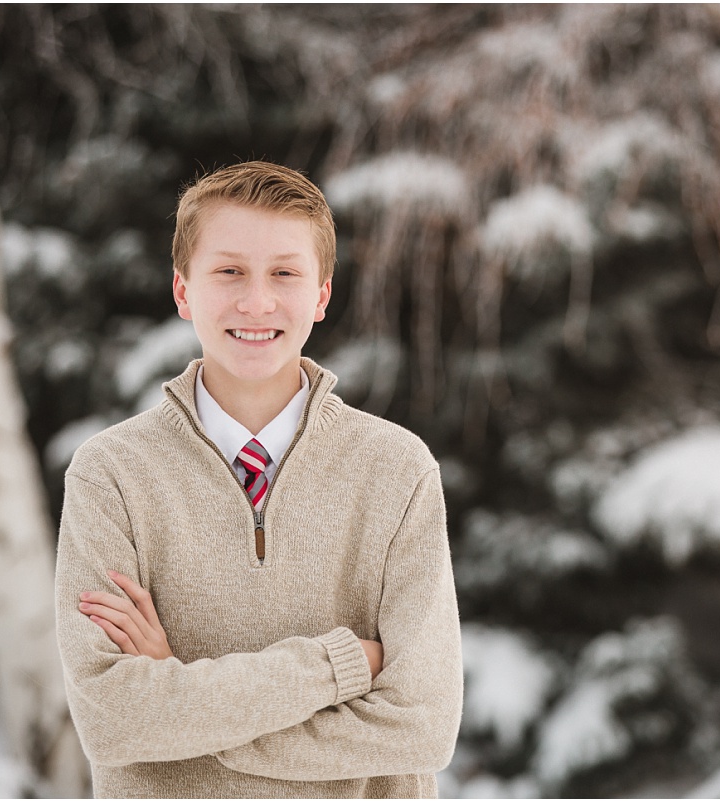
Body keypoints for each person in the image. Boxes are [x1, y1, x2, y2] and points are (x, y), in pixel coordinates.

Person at [54, 160, 463, 798]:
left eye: (284, 273)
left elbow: (422, 726)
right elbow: (112, 718)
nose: (256, 301)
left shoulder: (397, 469)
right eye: (228, 271)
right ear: (183, 289)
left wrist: (182, 704)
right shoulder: (110, 475)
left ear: (322, 294)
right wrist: (340, 665)